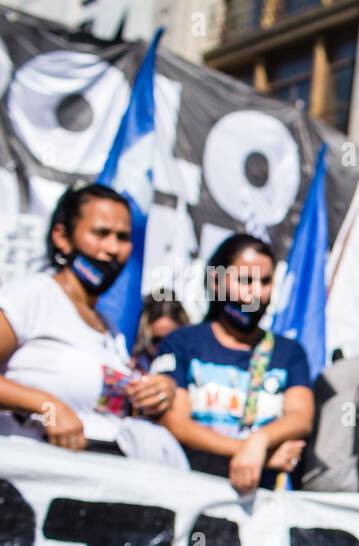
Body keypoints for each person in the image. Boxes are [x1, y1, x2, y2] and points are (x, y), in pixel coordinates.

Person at [0, 183, 185, 466]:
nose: (112, 248)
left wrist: (156, 392)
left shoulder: (110, 330)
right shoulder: (34, 295)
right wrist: (49, 408)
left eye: (122, 237)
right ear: (62, 237)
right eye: (100, 233)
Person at [155, 234, 313, 494]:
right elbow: (177, 424)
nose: (256, 293)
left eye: (265, 281)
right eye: (245, 280)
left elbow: (300, 417)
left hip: (258, 505)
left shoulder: (289, 353)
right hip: (187, 493)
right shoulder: (182, 342)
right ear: (217, 280)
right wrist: (251, 451)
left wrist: (260, 440)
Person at [132, 292, 190, 372]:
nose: (164, 347)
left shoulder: (194, 369)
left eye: (172, 340)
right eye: (156, 340)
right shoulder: (134, 365)